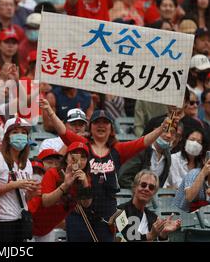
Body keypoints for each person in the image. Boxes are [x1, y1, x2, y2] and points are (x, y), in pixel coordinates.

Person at [40, 98, 171, 242]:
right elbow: (63, 131)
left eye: (105, 122)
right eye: (97, 122)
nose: (101, 126)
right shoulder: (82, 145)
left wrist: (161, 129)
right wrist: (49, 110)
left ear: (111, 127)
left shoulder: (118, 150)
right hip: (80, 214)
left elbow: (142, 142)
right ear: (91, 127)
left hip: (106, 218)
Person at [0, 117, 40, 242]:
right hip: (2, 223)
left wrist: (31, 192)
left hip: (21, 221)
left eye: (23, 132)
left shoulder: (27, 163)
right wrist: (13, 185)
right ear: (7, 137)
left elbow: (24, 198)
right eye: (15, 132)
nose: (20, 135)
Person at [30, 142, 92, 242]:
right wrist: (65, 185)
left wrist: (85, 184)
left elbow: (86, 204)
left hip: (47, 229)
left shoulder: (85, 178)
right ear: (66, 157)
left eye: (83, 157)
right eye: (74, 156)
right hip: (30, 223)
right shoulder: (53, 172)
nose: (79, 161)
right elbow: (46, 202)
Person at [117, 170, 181, 242]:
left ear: (154, 193)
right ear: (135, 187)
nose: (147, 189)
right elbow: (126, 238)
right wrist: (150, 236)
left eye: (151, 187)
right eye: (143, 185)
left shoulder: (153, 217)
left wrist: (163, 234)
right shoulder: (120, 211)